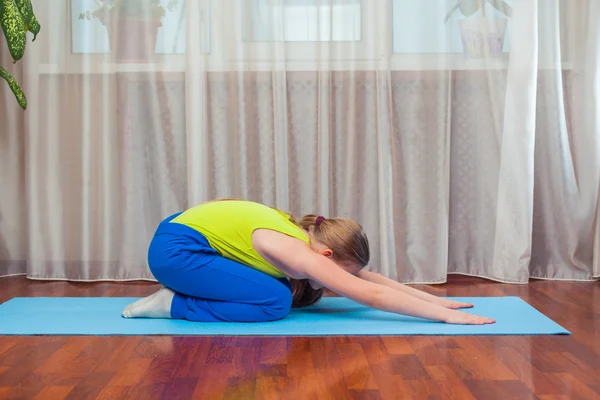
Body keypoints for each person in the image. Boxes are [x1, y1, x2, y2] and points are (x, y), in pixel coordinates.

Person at [122, 199, 495, 325]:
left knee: (276, 291)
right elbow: (369, 295)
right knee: (274, 300)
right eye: (335, 272)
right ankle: (172, 303)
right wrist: (447, 319)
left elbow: (369, 279)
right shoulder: (302, 255)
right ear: (327, 256)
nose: (333, 282)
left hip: (180, 236)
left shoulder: (307, 240)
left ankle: (180, 294)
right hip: (176, 252)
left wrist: (437, 300)